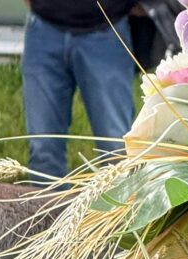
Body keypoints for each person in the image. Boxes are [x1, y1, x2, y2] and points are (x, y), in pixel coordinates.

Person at [22, 0, 137, 180]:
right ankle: (51, 207)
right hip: (44, 28)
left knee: (116, 149)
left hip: (107, 31)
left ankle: (122, 206)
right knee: (43, 151)